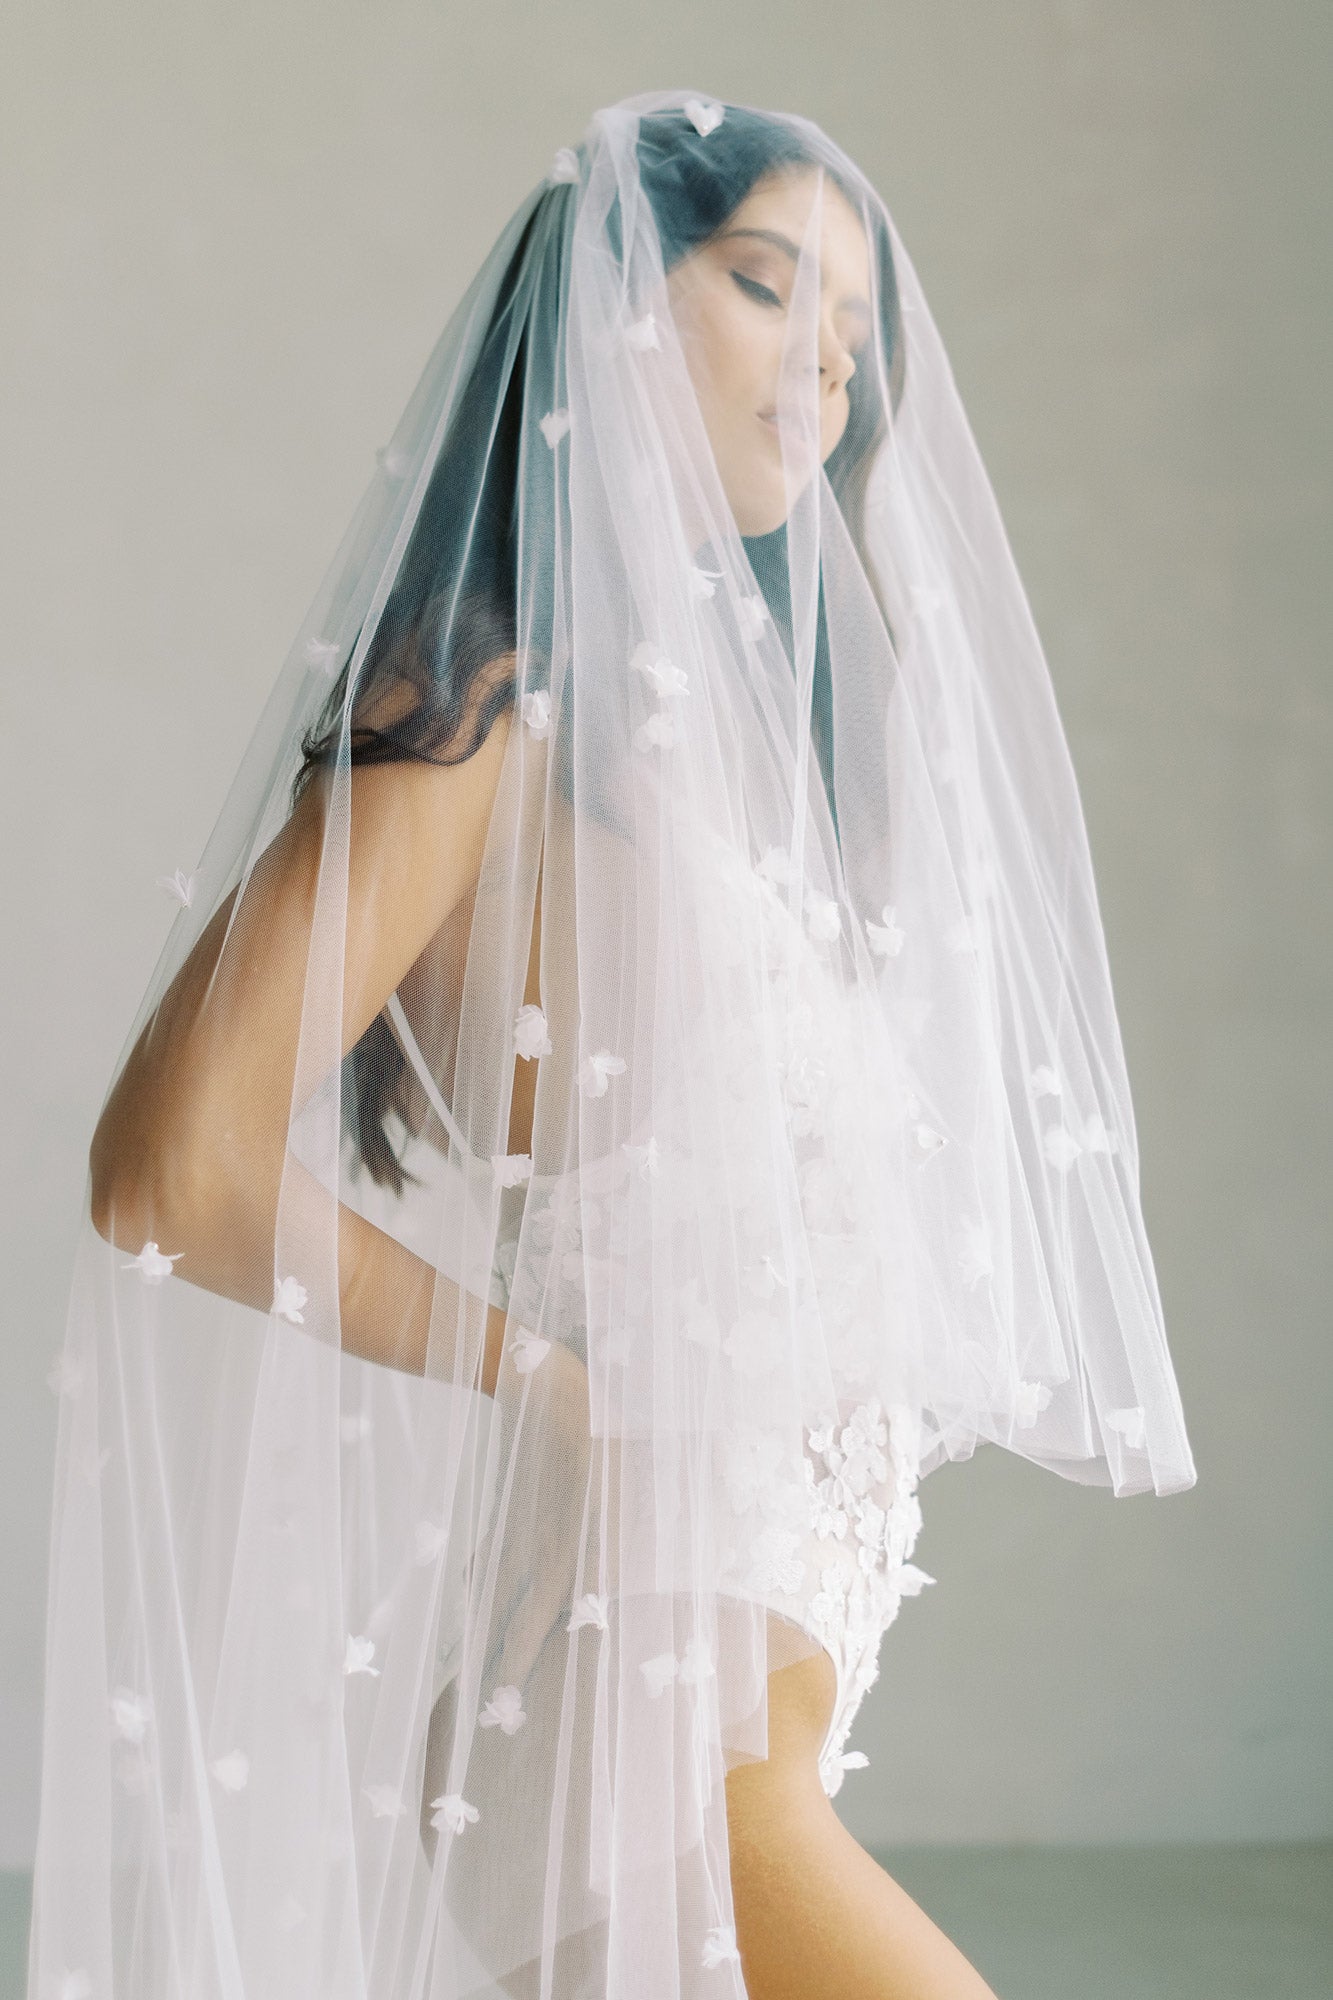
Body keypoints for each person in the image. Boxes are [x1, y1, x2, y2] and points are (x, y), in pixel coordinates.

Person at [30, 90, 1197, 2000]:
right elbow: (174, 1170)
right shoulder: (470, 715)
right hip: (642, 1716)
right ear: (607, 302)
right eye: (765, 286)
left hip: (731, 1718)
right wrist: (557, 1388)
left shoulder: (700, 794)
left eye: (851, 337)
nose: (824, 367)